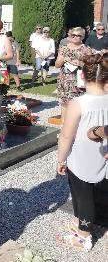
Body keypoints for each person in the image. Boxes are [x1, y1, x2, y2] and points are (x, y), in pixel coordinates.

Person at [56, 53, 108, 252]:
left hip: (83, 157)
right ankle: (103, 222)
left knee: (83, 195)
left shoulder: (78, 103)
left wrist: (61, 159)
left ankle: (84, 235)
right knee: (103, 191)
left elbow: (66, 136)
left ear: (83, 76)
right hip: (103, 153)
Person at [55, 27, 95, 122]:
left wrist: (80, 63)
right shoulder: (64, 48)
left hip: (78, 81)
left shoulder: (86, 49)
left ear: (83, 37)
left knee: (77, 105)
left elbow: (91, 66)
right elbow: (57, 65)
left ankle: (76, 127)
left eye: (78, 35)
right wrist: (64, 59)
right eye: (73, 35)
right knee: (64, 104)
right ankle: (63, 127)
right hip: (64, 80)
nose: (75, 37)